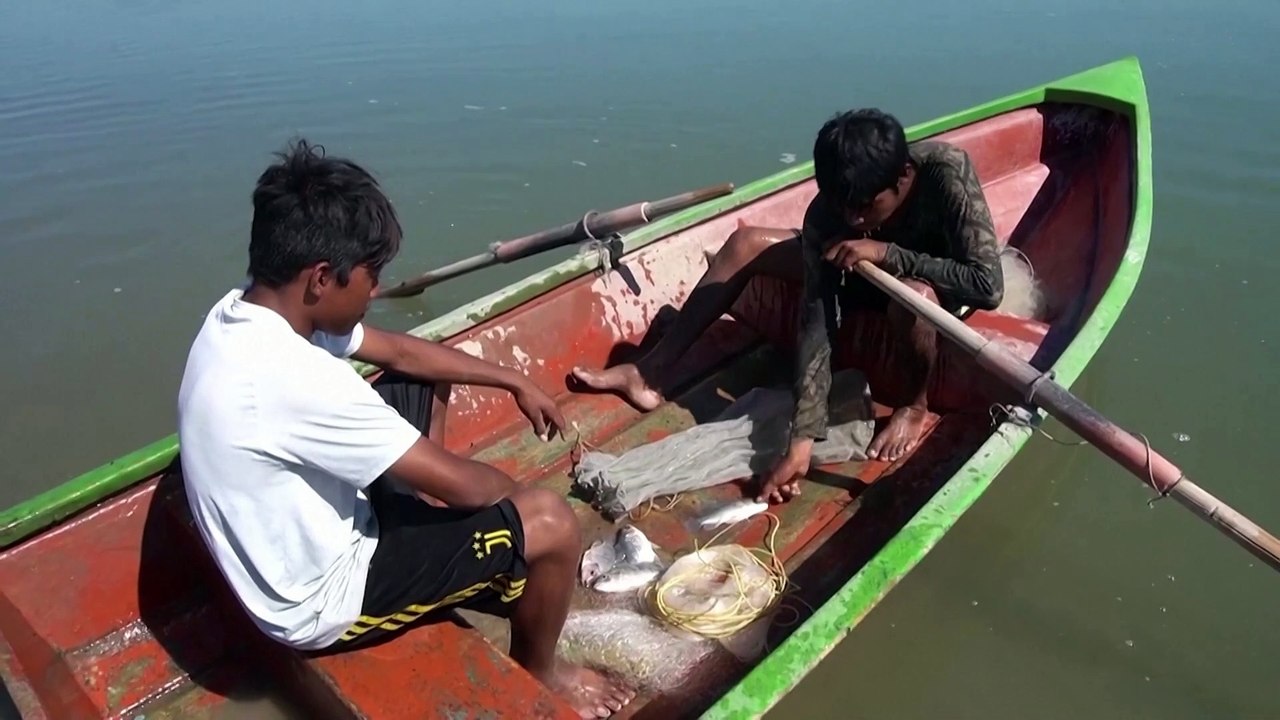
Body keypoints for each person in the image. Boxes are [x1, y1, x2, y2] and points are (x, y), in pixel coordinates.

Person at [177, 139, 633, 719]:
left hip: (309, 531)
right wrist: (531, 529)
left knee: (417, 378)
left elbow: (407, 355)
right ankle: (541, 669)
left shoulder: (244, 316)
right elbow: (471, 489)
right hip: (321, 601)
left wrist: (515, 381)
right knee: (550, 522)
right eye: (371, 279)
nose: (376, 292)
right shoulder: (299, 379)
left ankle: (435, 532)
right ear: (321, 278)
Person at [570, 109, 1003, 504]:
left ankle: (913, 404)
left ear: (904, 176)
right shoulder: (829, 211)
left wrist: (887, 252)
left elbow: (987, 285)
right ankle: (650, 371)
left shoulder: (947, 172)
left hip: (925, 287)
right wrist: (802, 442)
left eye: (867, 207)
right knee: (744, 244)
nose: (852, 219)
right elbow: (817, 324)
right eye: (842, 207)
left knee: (914, 297)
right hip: (855, 277)